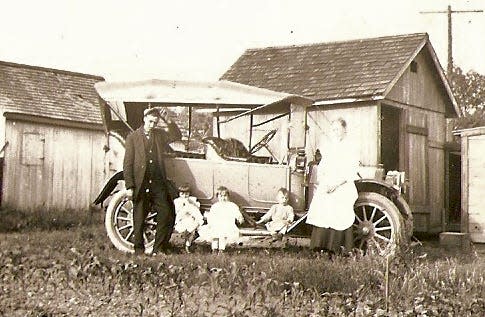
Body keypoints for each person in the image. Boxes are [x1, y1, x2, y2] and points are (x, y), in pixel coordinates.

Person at [123, 107, 182, 255]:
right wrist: (130, 186)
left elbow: (176, 135)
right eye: (150, 122)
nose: (152, 125)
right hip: (140, 183)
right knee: (139, 216)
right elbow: (128, 163)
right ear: (144, 119)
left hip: (157, 182)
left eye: (155, 123)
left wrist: (167, 121)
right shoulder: (133, 137)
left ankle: (158, 248)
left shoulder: (159, 135)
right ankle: (138, 250)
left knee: (166, 213)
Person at [306, 117, 360, 254]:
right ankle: (320, 246)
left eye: (337, 129)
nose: (335, 132)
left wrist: (336, 184)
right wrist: (325, 182)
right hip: (327, 184)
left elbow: (351, 170)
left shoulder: (350, 147)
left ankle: (337, 248)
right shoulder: (330, 147)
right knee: (323, 210)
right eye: (333, 129)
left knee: (340, 212)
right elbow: (323, 167)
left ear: (344, 130)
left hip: (342, 184)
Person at [203, 186, 244, 254]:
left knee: (223, 236)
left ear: (228, 196)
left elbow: (236, 212)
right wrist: (210, 223)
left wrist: (239, 217)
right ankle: (214, 249)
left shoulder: (231, 205)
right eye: (221, 196)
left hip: (227, 224)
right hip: (216, 224)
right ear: (217, 197)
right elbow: (211, 216)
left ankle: (221, 249)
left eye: (225, 196)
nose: (223, 198)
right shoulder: (215, 206)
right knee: (215, 237)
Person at [173, 183, 204, 253]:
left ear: (189, 193)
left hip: (190, 218)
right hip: (182, 218)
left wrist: (191, 203)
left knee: (192, 230)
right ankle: (186, 243)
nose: (184, 196)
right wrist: (184, 205)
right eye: (182, 194)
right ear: (179, 194)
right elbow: (177, 211)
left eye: (186, 194)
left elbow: (197, 208)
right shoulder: (177, 201)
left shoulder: (192, 199)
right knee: (187, 208)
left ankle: (187, 245)